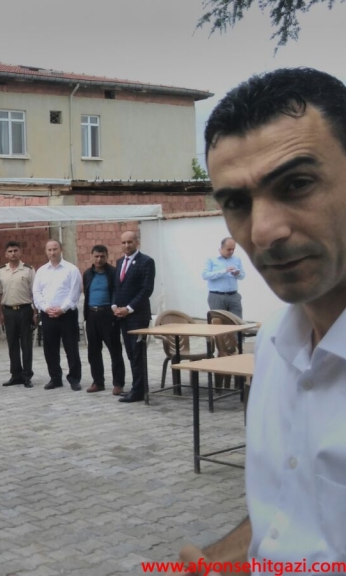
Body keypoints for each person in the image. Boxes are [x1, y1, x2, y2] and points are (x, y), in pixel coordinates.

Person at [168, 67, 346, 575]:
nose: (263, 231)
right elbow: (294, 505)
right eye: (236, 202)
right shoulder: (273, 345)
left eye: (297, 184)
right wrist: (214, 563)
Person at [33, 240, 82, 391]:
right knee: (50, 348)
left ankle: (74, 378)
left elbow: (75, 292)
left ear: (61, 250)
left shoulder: (71, 269)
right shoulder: (41, 271)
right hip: (48, 314)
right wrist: (45, 308)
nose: (52, 252)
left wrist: (62, 309)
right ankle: (55, 378)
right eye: (49, 250)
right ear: (46, 251)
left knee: (71, 347)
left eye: (55, 249)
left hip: (67, 315)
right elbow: (37, 292)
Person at [111, 232, 155, 403]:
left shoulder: (146, 262)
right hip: (122, 316)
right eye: (123, 242)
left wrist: (129, 308)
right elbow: (117, 287)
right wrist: (114, 306)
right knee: (130, 353)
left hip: (137, 315)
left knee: (137, 353)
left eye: (130, 242)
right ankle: (138, 387)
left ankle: (139, 391)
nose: (126, 245)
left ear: (137, 242)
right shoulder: (120, 262)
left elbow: (146, 289)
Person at [82, 246, 125, 395]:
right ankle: (98, 382)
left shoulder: (113, 273)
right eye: (96, 256)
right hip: (92, 314)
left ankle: (118, 383)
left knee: (115, 350)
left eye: (102, 256)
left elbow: (117, 292)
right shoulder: (88, 274)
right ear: (92, 256)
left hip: (108, 314)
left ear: (107, 256)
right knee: (93, 351)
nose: (99, 259)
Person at [0, 241, 36, 387]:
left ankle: (27, 375)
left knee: (26, 344)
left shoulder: (29, 270)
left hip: (25, 310)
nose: (13, 253)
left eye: (15, 250)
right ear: (6, 254)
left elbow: (34, 293)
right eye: (10, 251)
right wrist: (1, 313)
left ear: (20, 252)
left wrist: (35, 313)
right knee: (12, 344)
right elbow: (0, 293)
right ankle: (15, 374)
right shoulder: (1, 271)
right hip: (8, 311)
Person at [202, 238, 246, 318]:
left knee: (237, 321)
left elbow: (242, 276)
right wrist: (224, 271)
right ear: (222, 248)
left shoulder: (237, 259)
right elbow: (205, 275)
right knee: (219, 321)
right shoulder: (211, 259)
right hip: (217, 296)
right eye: (229, 249)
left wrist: (237, 274)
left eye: (233, 249)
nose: (231, 251)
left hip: (233, 296)